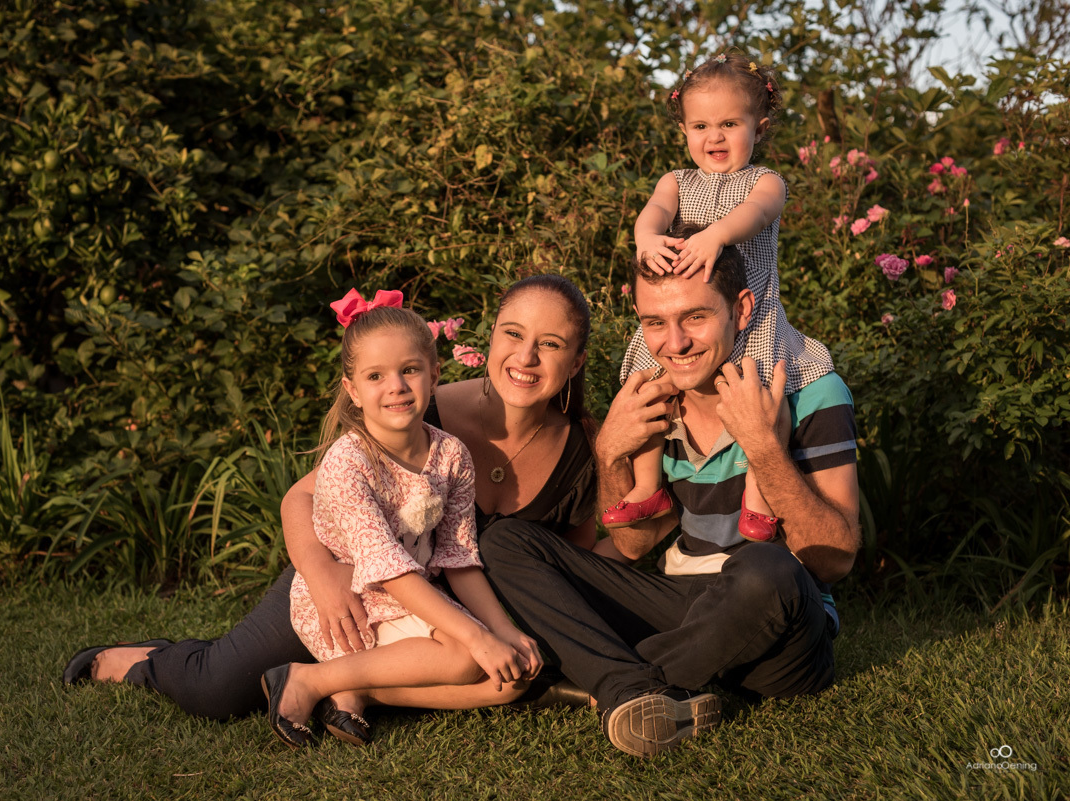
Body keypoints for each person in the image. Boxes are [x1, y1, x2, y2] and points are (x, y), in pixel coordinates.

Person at [62, 274, 604, 725]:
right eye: (513, 333)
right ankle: (139, 661)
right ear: (491, 338)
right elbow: (301, 498)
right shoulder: (412, 409)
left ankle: (349, 689)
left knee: (491, 675)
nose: (526, 356)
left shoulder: (525, 451)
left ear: (575, 361)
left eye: (551, 343)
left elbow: (565, 562)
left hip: (423, 605)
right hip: (338, 581)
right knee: (219, 690)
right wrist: (322, 576)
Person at [478, 239, 860, 758]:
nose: (673, 343)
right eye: (655, 322)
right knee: (506, 541)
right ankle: (634, 687)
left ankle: (607, 681)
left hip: (780, 624)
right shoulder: (655, 397)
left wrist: (765, 447)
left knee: (767, 567)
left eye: (695, 317)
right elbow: (636, 544)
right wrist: (612, 451)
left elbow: (834, 559)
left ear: (742, 309)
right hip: (685, 604)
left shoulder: (812, 392)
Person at [262, 288, 542, 749]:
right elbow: (386, 569)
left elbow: (459, 557)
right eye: (376, 376)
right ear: (353, 390)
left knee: (509, 681)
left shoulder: (452, 454)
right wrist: (476, 637)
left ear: (434, 375)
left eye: (410, 370)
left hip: (414, 598)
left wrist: (504, 630)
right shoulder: (349, 462)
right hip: (351, 605)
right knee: (468, 659)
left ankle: (355, 689)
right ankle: (305, 681)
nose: (396, 386)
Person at [602, 51, 835, 540]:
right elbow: (652, 214)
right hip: (688, 313)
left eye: (730, 123)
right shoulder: (676, 182)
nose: (714, 137)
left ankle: (759, 495)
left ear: (760, 125)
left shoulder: (765, 182)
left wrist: (716, 235)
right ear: (684, 130)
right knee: (647, 393)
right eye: (701, 125)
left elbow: (755, 213)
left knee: (768, 396)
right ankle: (647, 486)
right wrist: (646, 238)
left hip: (752, 317)